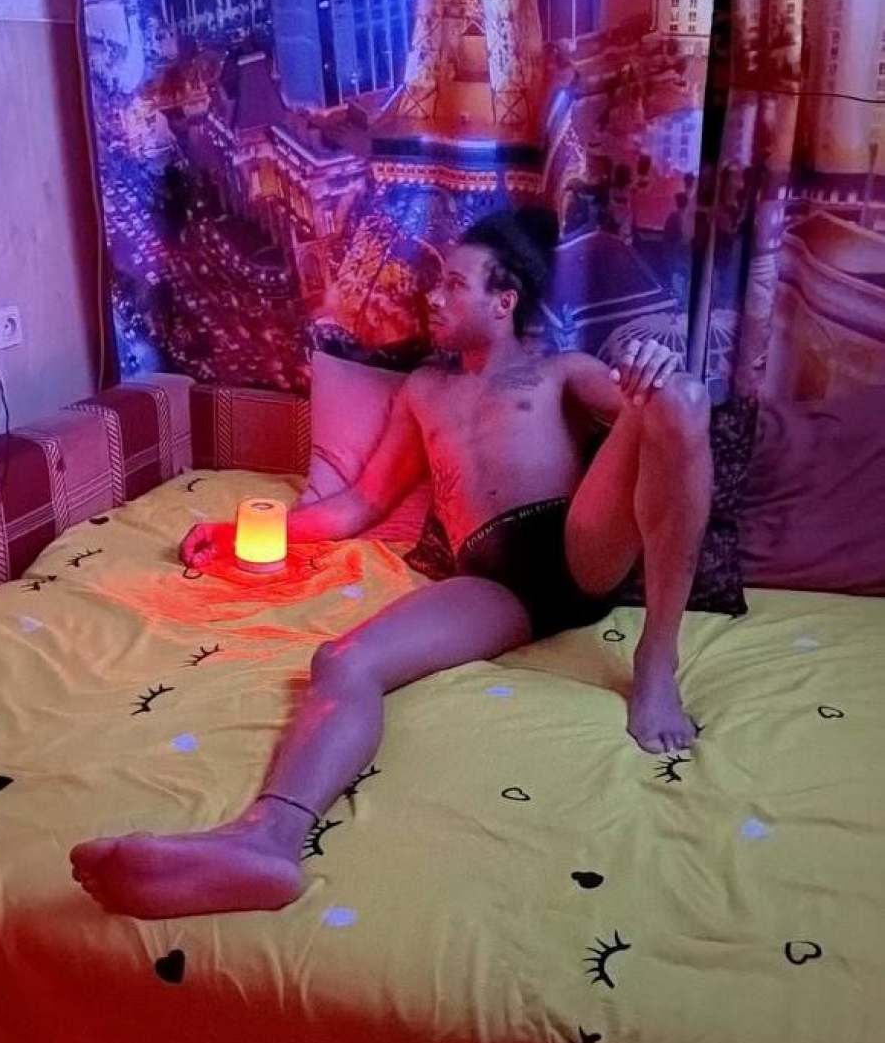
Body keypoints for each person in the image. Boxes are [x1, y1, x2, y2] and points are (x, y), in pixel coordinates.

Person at [71, 208, 711, 919]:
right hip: (491, 580)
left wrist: (651, 368)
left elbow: (653, 425)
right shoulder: (424, 392)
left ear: (504, 302)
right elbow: (359, 504)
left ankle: (658, 659)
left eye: (454, 285)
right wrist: (237, 530)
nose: (433, 297)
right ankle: (266, 841)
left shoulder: (562, 371)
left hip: (579, 541)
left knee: (678, 399)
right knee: (342, 661)